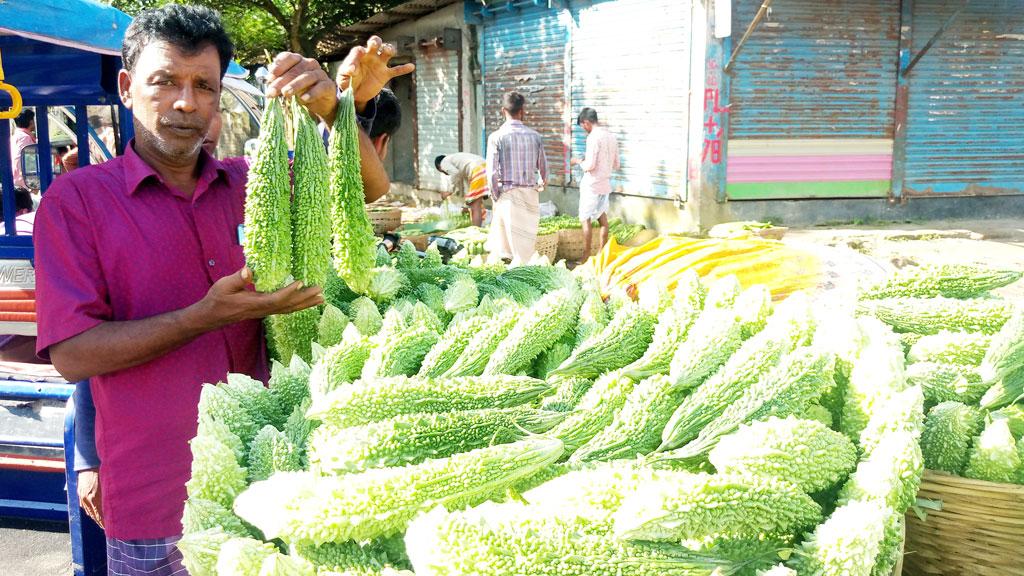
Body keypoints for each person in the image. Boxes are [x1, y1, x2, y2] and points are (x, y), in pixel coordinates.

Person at [34, 6, 412, 575]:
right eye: (165, 81)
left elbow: (369, 186)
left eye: (204, 86)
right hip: (156, 500)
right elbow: (72, 354)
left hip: (266, 488)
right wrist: (201, 317)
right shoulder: (78, 202)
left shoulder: (248, 183)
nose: (186, 102)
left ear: (217, 99)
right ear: (126, 86)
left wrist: (336, 105)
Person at [485, 91, 547, 264]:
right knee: (526, 245)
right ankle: (526, 279)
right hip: (530, 194)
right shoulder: (535, 136)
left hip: (508, 194)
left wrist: (495, 194)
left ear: (502, 110)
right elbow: (543, 167)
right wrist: (541, 183)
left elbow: (491, 172)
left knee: (507, 249)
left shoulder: (496, 137)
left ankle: (513, 282)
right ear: (522, 111)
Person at [570, 107, 619, 261]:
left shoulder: (593, 137)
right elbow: (617, 164)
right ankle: (602, 254)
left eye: (583, 126)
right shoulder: (611, 137)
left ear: (586, 122)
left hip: (591, 186)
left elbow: (590, 165)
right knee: (603, 220)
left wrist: (577, 161)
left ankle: (585, 256)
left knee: (585, 219)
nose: (584, 129)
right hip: (604, 185)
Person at [435, 152, 488, 226]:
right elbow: (469, 189)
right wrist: (465, 206)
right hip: (486, 167)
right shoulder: (461, 164)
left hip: (478, 170)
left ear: (439, 167)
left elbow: (455, 173)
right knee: (477, 201)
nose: (445, 173)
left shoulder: (444, 162)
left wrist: (449, 191)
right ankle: (482, 226)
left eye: (442, 171)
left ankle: (476, 230)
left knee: (475, 205)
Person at [10, 108, 36, 189]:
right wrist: (31, 185)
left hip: (18, 182)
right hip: (25, 185)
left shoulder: (16, 136)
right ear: (31, 122)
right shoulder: (25, 138)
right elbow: (21, 162)